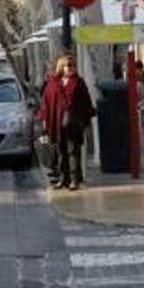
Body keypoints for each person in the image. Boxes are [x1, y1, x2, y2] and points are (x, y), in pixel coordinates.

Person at [38, 55, 95, 191]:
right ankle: (63, 179)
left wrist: (85, 119)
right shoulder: (53, 83)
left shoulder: (79, 82)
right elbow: (46, 103)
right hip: (56, 123)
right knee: (61, 152)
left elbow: (86, 102)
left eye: (73, 65)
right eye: (68, 65)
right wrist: (45, 120)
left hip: (73, 123)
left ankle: (74, 180)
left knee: (73, 151)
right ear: (61, 67)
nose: (71, 68)